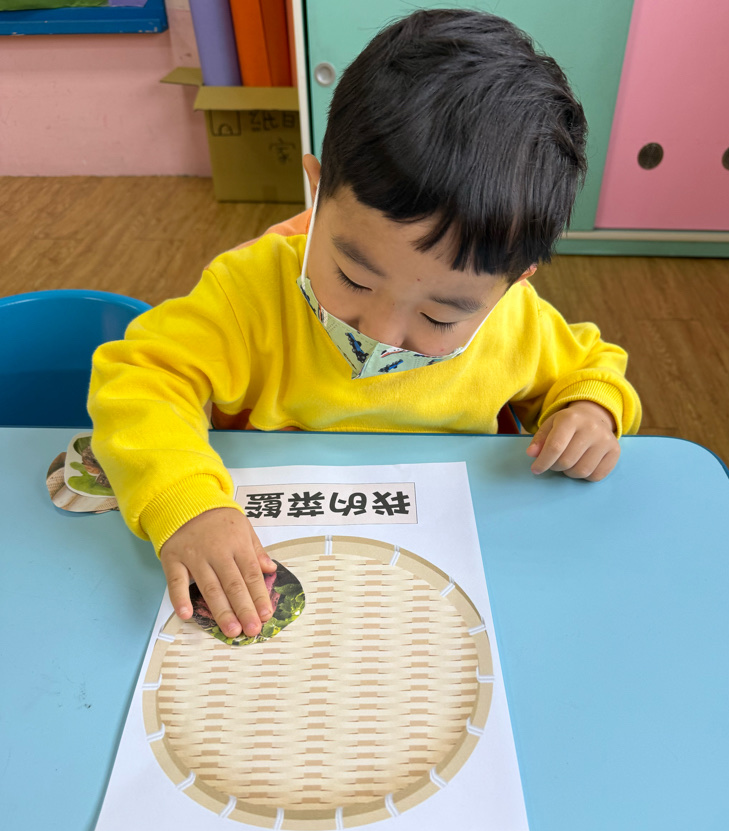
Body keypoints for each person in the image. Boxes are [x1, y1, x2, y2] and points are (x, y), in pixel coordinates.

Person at [89, 8, 641, 642]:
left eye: (438, 314)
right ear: (317, 192)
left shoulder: (514, 326)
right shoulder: (251, 294)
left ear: (516, 282)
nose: (380, 330)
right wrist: (185, 503)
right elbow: (140, 378)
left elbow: (591, 367)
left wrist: (589, 412)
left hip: (440, 585)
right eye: (353, 278)